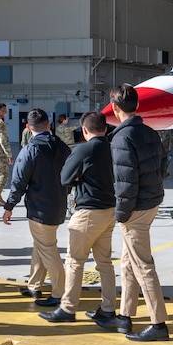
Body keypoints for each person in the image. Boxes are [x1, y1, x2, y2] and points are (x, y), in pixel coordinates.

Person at [109, 84, 171, 341]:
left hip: (135, 208)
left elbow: (125, 182)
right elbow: (163, 167)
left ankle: (158, 324)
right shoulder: (149, 132)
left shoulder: (121, 138)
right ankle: (125, 314)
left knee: (143, 265)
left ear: (114, 108)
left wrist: (121, 214)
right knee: (129, 260)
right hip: (151, 202)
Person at [0, 109, 72, 310]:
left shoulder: (29, 150)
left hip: (39, 210)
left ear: (27, 127)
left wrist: (9, 206)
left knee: (48, 250)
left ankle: (60, 293)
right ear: (49, 124)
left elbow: (19, 182)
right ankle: (35, 285)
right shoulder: (62, 147)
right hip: (57, 205)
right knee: (41, 245)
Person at [58, 111, 120, 327]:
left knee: (75, 262)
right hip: (109, 210)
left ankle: (67, 308)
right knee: (105, 263)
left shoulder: (84, 149)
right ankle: (108, 309)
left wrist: (78, 177)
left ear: (84, 130)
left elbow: (65, 177)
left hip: (88, 212)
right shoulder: (113, 147)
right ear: (105, 127)